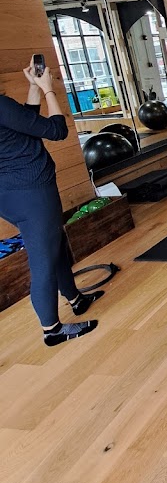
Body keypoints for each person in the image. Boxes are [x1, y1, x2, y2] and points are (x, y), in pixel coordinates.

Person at [0, 60, 103, 346]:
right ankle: (52, 329)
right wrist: (48, 89)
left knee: (53, 246)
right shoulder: (0, 105)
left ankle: (75, 298)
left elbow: (26, 123)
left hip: (9, 195)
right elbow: (57, 130)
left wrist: (33, 87)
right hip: (31, 193)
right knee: (43, 262)